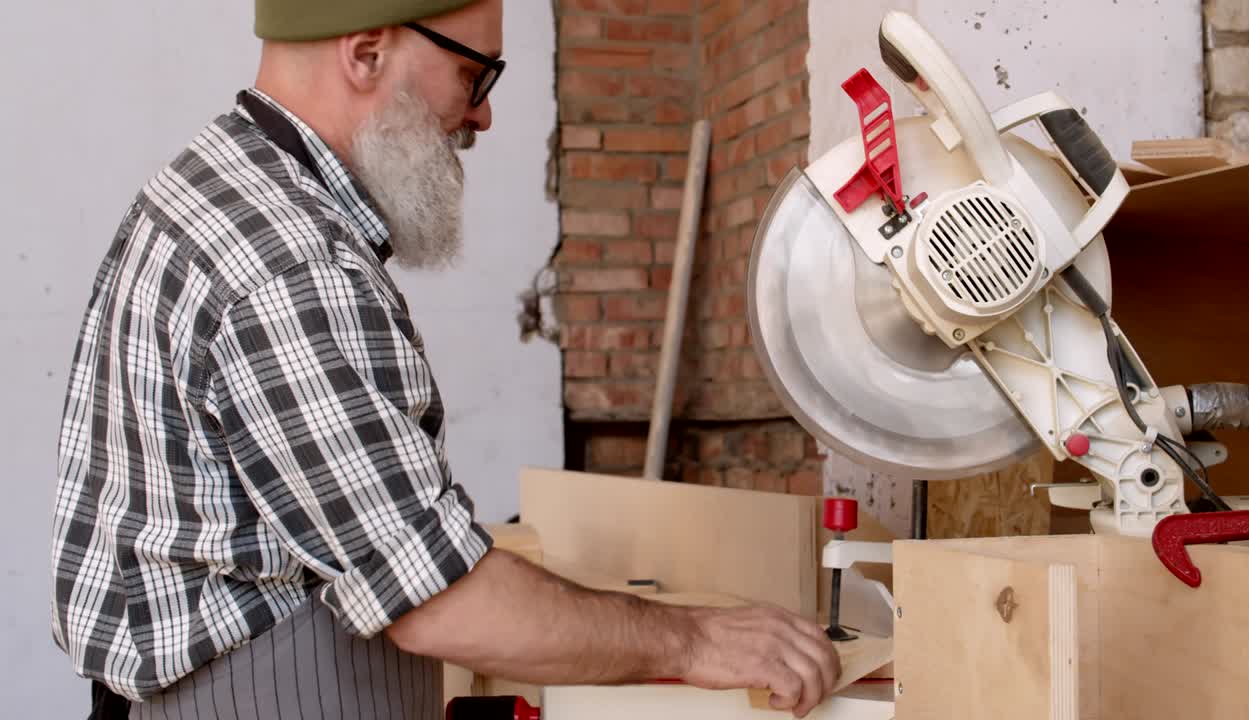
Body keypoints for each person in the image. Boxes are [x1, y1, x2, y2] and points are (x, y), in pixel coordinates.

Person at [49, 1, 842, 718]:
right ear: (366, 53)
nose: (484, 114)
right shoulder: (290, 265)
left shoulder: (216, 184)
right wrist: (697, 642)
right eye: (474, 73)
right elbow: (437, 601)